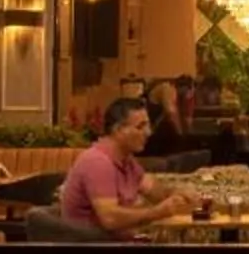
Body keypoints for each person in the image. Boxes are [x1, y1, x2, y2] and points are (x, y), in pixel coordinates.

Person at [59, 97, 199, 236]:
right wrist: (156, 212)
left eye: (148, 126)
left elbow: (155, 191)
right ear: (119, 130)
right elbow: (110, 218)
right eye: (140, 127)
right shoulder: (98, 162)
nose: (148, 133)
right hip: (93, 250)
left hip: (118, 246)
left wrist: (177, 193)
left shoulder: (127, 160)